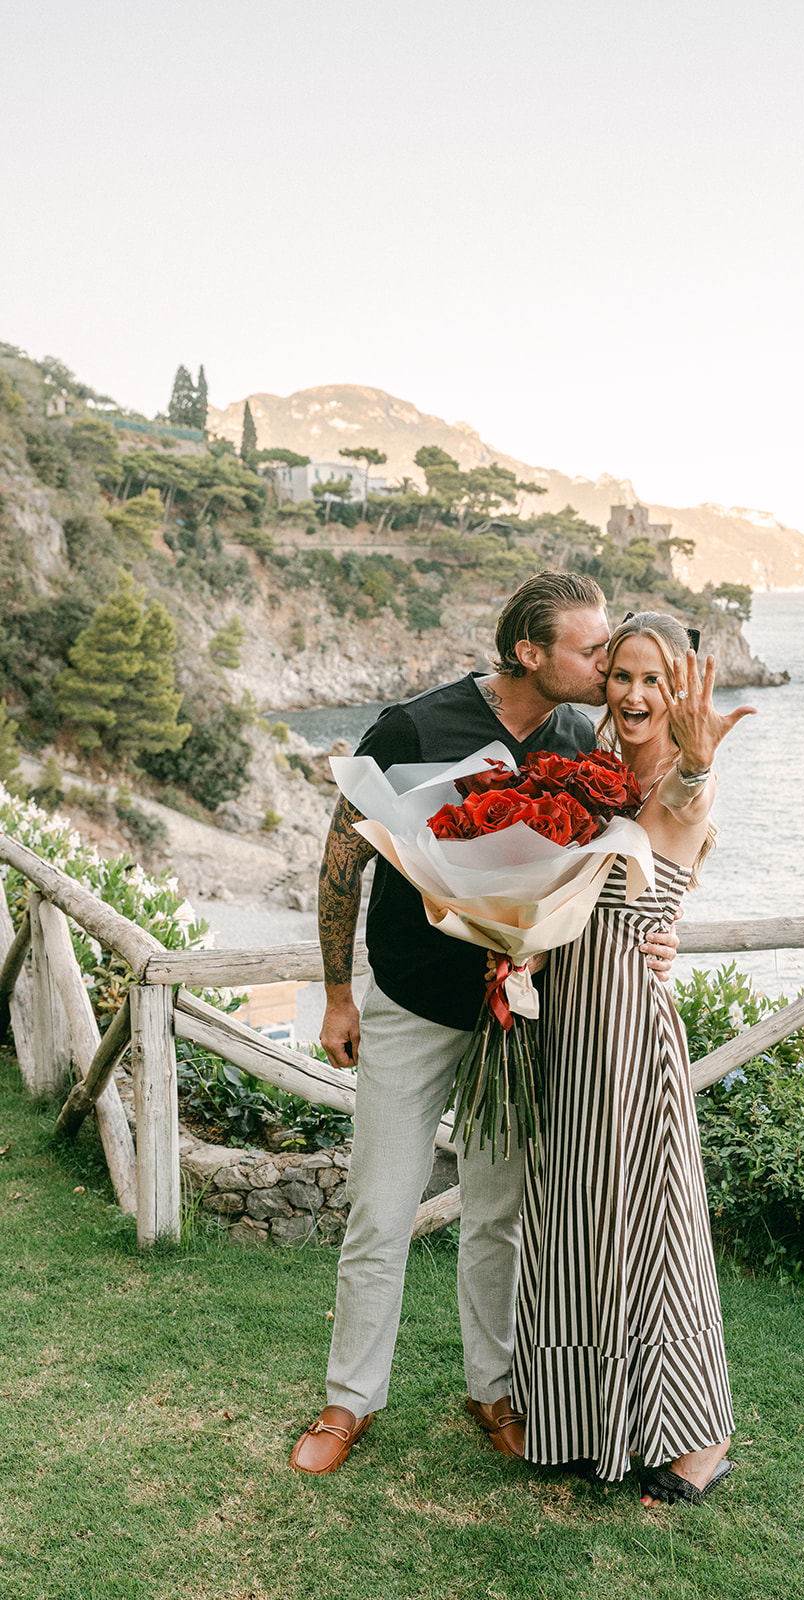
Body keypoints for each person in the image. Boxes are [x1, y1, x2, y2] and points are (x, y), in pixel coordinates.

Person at [290, 573, 678, 1474]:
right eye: (591, 651)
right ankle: (348, 1403)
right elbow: (342, 862)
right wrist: (338, 995)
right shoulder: (415, 728)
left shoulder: (581, 737)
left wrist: (658, 938)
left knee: (498, 1216)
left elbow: (621, 862)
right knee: (381, 1212)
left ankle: (492, 1388)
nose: (606, 665)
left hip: (519, 1017)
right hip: (412, 1008)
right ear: (530, 652)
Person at [512, 611, 755, 1506]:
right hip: (566, 1016)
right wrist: (518, 943)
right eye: (621, 676)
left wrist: (697, 758)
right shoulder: (592, 775)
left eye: (655, 679)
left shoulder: (686, 780)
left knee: (655, 1224)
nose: (636, 694)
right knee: (579, 1216)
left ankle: (698, 1437)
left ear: (681, 690)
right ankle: (590, 1419)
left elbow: (683, 805)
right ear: (603, 684)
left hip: (627, 1018)